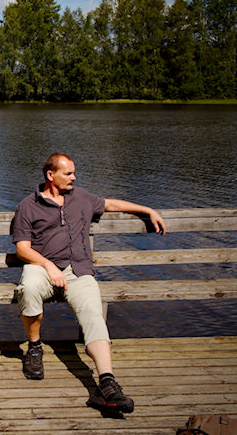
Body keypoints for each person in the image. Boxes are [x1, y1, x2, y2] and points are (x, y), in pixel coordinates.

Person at [11, 153, 167, 414]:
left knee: (93, 315)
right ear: (51, 175)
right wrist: (49, 266)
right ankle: (35, 347)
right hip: (41, 267)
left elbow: (111, 204)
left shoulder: (81, 197)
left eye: (73, 172)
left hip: (78, 270)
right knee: (28, 289)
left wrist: (148, 210)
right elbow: (22, 249)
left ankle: (106, 383)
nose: (74, 177)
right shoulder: (28, 205)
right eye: (68, 173)